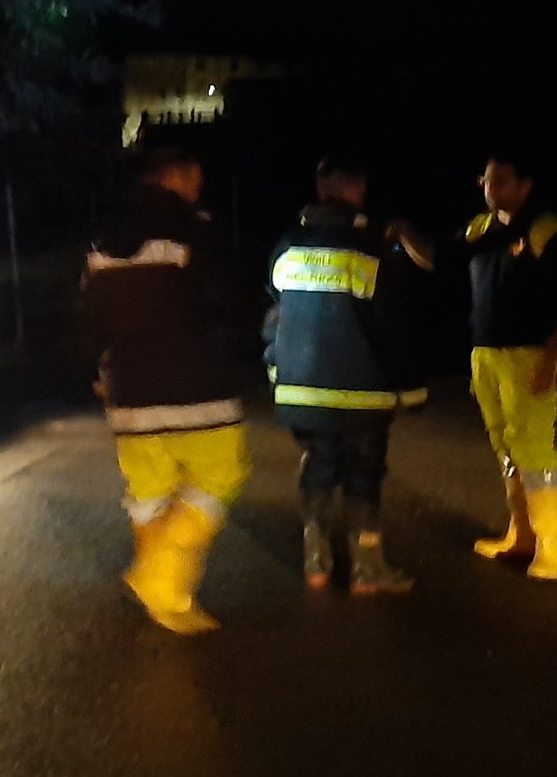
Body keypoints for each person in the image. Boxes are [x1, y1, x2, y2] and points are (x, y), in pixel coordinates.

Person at [83, 148, 250, 635]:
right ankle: (158, 578)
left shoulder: (101, 237)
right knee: (224, 472)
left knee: (150, 489)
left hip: (127, 390)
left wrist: (96, 374)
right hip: (196, 387)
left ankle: (171, 600)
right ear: (176, 175)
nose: (200, 181)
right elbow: (227, 298)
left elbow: (87, 317)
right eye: (195, 173)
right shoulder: (194, 230)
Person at [264, 156, 430, 594]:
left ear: (321, 189)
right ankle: (366, 568)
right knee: (364, 475)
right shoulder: (373, 247)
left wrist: (277, 374)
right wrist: (408, 389)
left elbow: (275, 317)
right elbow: (393, 326)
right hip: (364, 395)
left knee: (317, 469)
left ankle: (315, 562)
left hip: (304, 391)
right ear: (359, 191)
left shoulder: (287, 245)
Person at [458, 151, 557, 581]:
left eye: (502, 181)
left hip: (529, 353)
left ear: (525, 186)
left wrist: (552, 357)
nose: (492, 189)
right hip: (485, 354)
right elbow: (441, 261)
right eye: (487, 181)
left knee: (535, 449)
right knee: (505, 447)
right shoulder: (480, 229)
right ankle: (520, 534)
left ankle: (550, 547)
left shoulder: (547, 232)